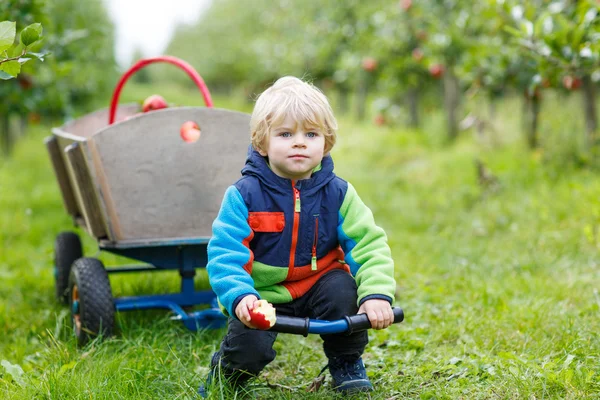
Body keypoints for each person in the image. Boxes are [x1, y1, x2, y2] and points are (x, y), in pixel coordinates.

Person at [200, 76, 396, 397]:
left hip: (318, 281)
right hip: (262, 292)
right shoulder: (244, 195)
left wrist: (376, 294)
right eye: (286, 134)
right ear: (262, 143)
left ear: (326, 142)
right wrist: (241, 297)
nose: (300, 142)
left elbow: (368, 243)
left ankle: (346, 361)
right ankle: (228, 371)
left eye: (311, 134)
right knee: (249, 351)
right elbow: (226, 253)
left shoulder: (339, 193)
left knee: (343, 292)